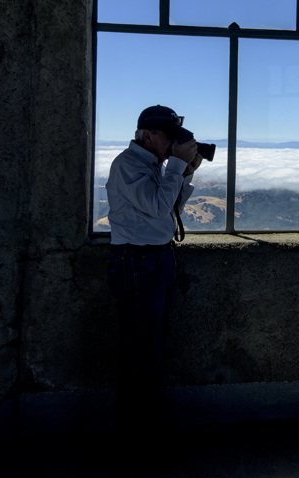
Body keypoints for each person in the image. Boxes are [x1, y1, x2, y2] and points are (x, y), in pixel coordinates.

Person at [105, 105, 201, 434]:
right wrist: (176, 165)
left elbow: (169, 210)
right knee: (141, 352)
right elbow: (159, 207)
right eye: (169, 137)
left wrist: (184, 174)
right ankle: (134, 436)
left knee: (150, 349)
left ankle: (142, 430)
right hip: (136, 261)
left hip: (154, 260)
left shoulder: (152, 165)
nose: (173, 143)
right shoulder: (128, 165)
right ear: (148, 135)